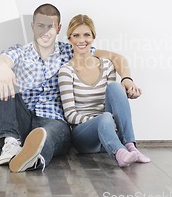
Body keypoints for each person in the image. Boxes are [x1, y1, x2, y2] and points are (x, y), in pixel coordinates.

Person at [0, 3, 142, 172]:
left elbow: (116, 57)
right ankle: (10, 142)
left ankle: (34, 159)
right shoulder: (20, 52)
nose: (45, 32)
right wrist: (3, 67)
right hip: (22, 117)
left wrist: (127, 78)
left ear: (59, 28)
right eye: (40, 26)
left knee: (48, 136)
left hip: (53, 120)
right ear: (32, 26)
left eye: (51, 27)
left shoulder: (71, 51)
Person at [58, 14, 150, 167]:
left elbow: (113, 100)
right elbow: (70, 115)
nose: (82, 40)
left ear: (93, 37)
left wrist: (127, 87)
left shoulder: (107, 65)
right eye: (76, 35)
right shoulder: (66, 71)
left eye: (87, 35)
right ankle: (119, 153)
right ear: (70, 39)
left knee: (115, 87)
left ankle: (130, 146)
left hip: (110, 130)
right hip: (85, 137)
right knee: (105, 117)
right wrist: (100, 119)